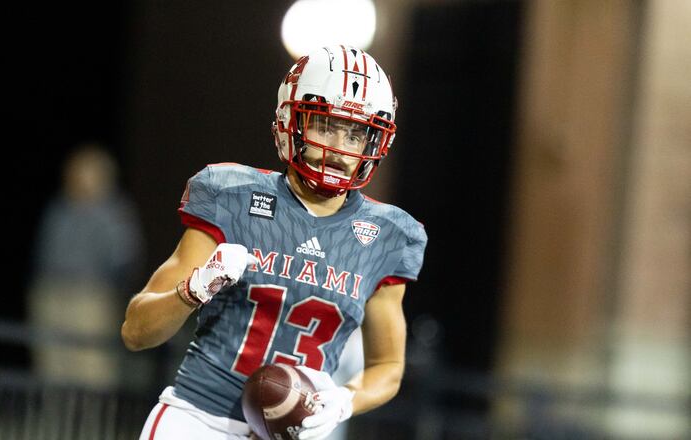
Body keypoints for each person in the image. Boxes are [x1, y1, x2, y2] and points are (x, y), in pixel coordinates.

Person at [122, 45, 427, 440]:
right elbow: (135, 331)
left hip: (294, 433)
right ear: (290, 123)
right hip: (199, 420)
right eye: (325, 125)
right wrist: (194, 289)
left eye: (356, 132)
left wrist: (344, 400)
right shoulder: (233, 197)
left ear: (374, 144)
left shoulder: (387, 235)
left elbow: (387, 366)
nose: (339, 146)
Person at [29, 144, 143, 389]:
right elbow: (44, 250)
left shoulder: (113, 214)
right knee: (51, 365)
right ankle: (55, 423)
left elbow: (124, 258)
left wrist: (109, 291)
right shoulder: (60, 208)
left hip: (90, 296)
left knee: (91, 368)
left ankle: (92, 426)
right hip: (52, 292)